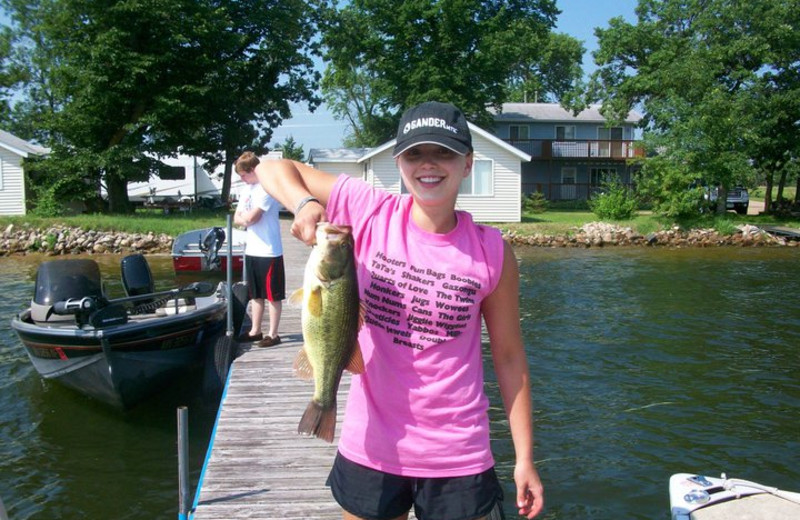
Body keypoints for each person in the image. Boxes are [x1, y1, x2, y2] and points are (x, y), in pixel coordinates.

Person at [256, 101, 544, 519]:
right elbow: (271, 168)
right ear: (398, 163)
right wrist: (302, 204)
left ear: (467, 164)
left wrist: (524, 458)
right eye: (415, 153)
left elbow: (509, 357)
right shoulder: (369, 211)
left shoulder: (491, 251)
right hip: (371, 447)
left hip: (459, 452)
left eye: (444, 152)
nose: (429, 164)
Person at [233, 151, 284, 347]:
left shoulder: (266, 189)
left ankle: (273, 333)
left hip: (269, 250)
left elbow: (252, 218)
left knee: (273, 295)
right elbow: (239, 216)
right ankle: (255, 330)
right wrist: (244, 219)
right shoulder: (247, 190)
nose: (242, 179)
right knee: (255, 294)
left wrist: (244, 219)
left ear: (253, 171)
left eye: (244, 175)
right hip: (252, 249)